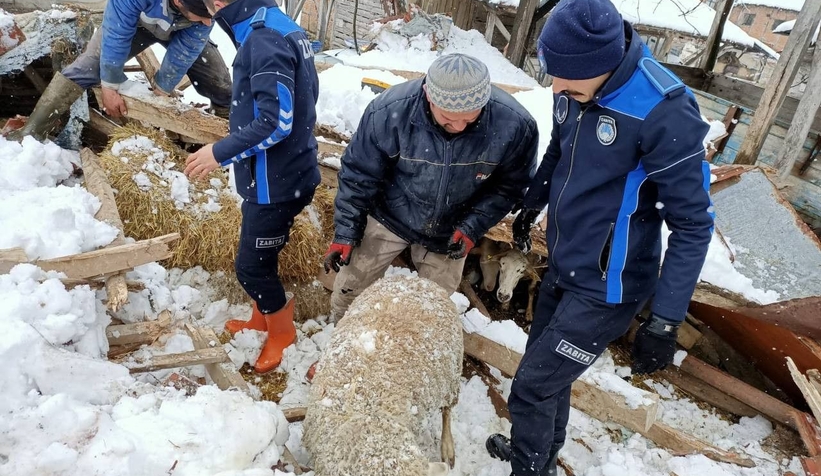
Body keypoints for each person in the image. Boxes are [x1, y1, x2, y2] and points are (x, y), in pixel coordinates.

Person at [484, 0, 715, 475]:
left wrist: (666, 321)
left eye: (565, 80)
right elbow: (561, 146)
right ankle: (538, 456)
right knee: (546, 376)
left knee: (532, 385)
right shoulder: (575, 82)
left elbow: (694, 225)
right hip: (566, 262)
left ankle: (529, 468)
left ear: (604, 66)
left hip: (609, 287)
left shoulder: (663, 110)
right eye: (552, 75)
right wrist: (533, 202)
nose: (556, 88)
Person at [324, 53, 538, 319]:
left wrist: (472, 227)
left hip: (453, 227)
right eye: (448, 119)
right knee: (350, 288)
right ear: (428, 95)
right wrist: (345, 232)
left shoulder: (514, 125)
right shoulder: (390, 112)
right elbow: (359, 174)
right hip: (391, 213)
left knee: (430, 310)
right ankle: (338, 332)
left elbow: (511, 185)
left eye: (470, 120)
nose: (459, 127)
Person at [183, 0, 320, 373]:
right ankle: (261, 318)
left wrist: (219, 153)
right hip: (284, 171)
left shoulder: (262, 39)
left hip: (275, 182)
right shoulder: (276, 24)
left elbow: (278, 122)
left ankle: (281, 331)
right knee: (260, 256)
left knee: (251, 268)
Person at [10, 0, 232, 141]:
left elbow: (187, 49)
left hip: (184, 32)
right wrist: (110, 85)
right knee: (86, 68)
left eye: (210, 18)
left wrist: (162, 89)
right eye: (203, 17)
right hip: (132, 25)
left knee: (219, 81)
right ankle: (31, 134)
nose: (207, 23)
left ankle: (223, 134)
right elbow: (116, 36)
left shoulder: (204, 14)